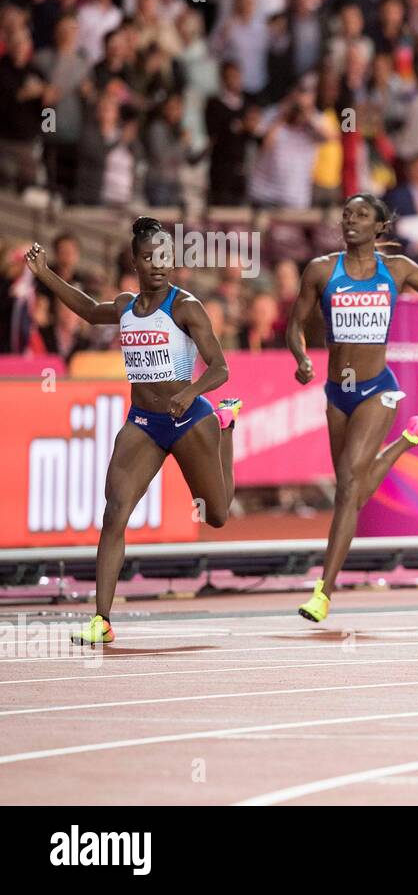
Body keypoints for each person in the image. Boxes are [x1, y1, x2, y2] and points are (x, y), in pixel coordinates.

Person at [25, 219, 242, 645]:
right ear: (136, 262)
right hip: (143, 423)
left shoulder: (186, 307)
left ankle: (227, 425)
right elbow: (88, 310)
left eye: (165, 257)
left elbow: (221, 367)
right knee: (114, 511)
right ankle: (101, 620)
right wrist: (46, 274)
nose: (158, 265)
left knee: (216, 515)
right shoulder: (125, 306)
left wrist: (191, 392)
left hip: (189, 420)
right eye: (149, 257)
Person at [288, 194, 418, 622]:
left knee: (348, 490)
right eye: (347, 214)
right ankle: (406, 442)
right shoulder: (320, 270)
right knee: (349, 491)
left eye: (361, 216)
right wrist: (300, 357)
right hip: (338, 392)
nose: (350, 220)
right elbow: (295, 322)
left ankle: (323, 591)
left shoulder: (398, 270)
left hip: (377, 389)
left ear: (379, 228)